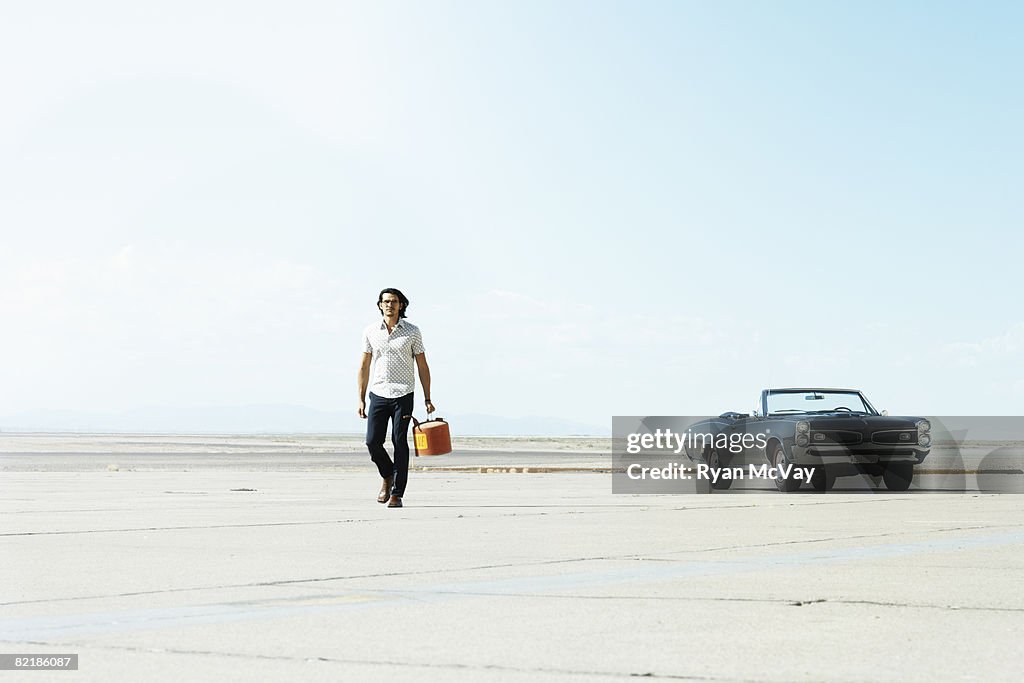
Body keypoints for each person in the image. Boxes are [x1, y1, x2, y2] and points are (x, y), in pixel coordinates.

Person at [358, 288, 434, 508]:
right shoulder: (370, 331)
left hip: (404, 394)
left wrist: (428, 398)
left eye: (394, 301)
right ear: (380, 305)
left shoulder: (412, 331)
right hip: (378, 393)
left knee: (399, 442)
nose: (389, 305)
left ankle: (396, 493)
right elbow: (364, 366)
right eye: (385, 301)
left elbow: (422, 365)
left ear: (401, 305)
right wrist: (361, 398)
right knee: (372, 441)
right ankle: (388, 475)